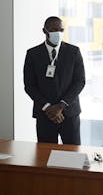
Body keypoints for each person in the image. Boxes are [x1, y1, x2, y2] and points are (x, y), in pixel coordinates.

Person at [23, 16, 86, 144]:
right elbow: (29, 86)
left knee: (73, 157)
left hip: (69, 114)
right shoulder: (33, 54)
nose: (58, 33)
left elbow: (79, 81)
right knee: (45, 158)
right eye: (54, 30)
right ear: (44, 31)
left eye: (61, 30)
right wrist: (47, 107)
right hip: (45, 115)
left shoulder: (73, 52)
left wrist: (61, 105)